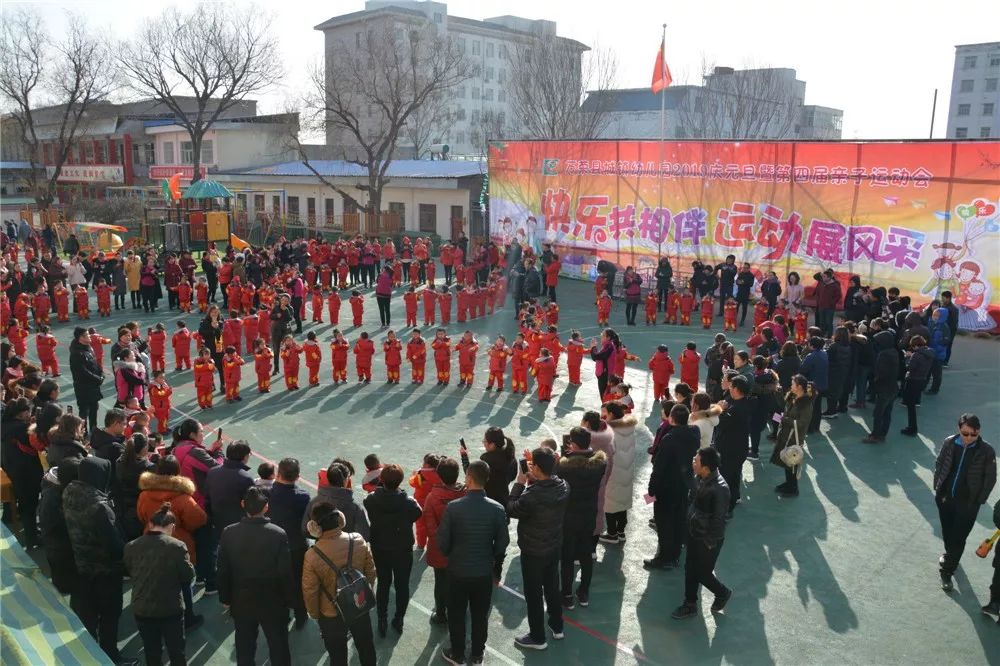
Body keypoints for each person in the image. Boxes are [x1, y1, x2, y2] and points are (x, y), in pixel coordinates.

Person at [437, 460, 510, 666]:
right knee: (480, 615)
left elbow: (442, 542)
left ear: (468, 478)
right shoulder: (496, 509)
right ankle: (477, 654)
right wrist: (491, 556)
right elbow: (502, 542)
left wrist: (453, 554)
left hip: (458, 570)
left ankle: (457, 653)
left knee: (457, 613)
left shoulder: (454, 508)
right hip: (482, 572)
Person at [62, 456, 130, 663]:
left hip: (82, 564)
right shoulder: (100, 505)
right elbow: (114, 545)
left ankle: (89, 654)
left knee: (89, 615)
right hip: (106, 570)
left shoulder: (69, 491)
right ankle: (110, 655)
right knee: (110, 615)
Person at [217, 486, 295, 666]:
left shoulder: (229, 532)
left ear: (243, 504)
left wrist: (225, 597)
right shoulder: (277, 533)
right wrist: (290, 599)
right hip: (273, 599)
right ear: (266, 507)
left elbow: (223, 569)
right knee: (278, 645)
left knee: (244, 645)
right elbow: (285, 572)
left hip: (241, 599)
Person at [507, 447, 569, 650]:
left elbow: (512, 508)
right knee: (552, 587)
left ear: (539, 468)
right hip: (553, 545)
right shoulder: (563, 486)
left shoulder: (531, 496)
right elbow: (546, 486)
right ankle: (557, 625)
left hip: (533, 551)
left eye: (533, 464)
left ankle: (537, 637)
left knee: (533, 594)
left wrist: (519, 483)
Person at [302, 502, 378, 666]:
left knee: (337, 657)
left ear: (315, 527)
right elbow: (370, 572)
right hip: (359, 604)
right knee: (366, 648)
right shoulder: (357, 540)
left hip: (331, 613)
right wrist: (361, 592)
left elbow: (310, 591)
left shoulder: (312, 555)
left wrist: (316, 615)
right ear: (340, 519)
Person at [124, 503, 195, 666]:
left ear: (150, 524)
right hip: (170, 608)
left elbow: (129, 570)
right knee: (177, 652)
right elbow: (187, 575)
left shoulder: (131, 546)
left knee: (152, 652)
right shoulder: (176, 546)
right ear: (172, 526)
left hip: (143, 608)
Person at [933, 413, 996, 592]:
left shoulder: (987, 451)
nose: (969, 438)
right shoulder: (950, 442)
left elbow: (990, 477)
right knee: (947, 531)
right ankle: (951, 555)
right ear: (959, 429)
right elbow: (939, 463)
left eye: (973, 434)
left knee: (959, 537)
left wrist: (979, 499)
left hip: (968, 503)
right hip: (945, 498)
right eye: (965, 433)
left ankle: (947, 571)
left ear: (979, 431)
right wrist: (938, 487)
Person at [672, 447, 732, 620]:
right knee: (690, 569)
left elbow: (719, 519)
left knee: (702, 573)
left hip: (707, 540)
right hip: (694, 533)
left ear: (705, 467)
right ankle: (690, 603)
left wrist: (709, 542)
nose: (693, 463)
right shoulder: (701, 477)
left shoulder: (720, 489)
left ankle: (722, 592)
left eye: (696, 461)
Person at [363, 463, 422, 636]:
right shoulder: (408, 503)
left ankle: (382, 618)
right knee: (402, 585)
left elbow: (369, 502)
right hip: (402, 549)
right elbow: (418, 513)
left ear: (381, 480)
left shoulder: (371, 500)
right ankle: (399, 619)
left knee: (383, 583)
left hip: (381, 547)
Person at [644, 404, 701, 570]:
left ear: (672, 418)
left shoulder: (669, 439)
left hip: (667, 487)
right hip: (684, 484)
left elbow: (659, 468)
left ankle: (664, 558)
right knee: (679, 521)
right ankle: (675, 555)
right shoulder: (694, 433)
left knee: (664, 523)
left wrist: (651, 489)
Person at [556, 426, 607, 609]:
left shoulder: (564, 467)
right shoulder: (600, 464)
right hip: (588, 515)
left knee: (568, 557)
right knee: (586, 555)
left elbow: (557, 474)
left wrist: (563, 457)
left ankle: (567, 594)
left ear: (574, 445)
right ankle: (584, 592)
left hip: (569, 517)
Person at [266, 457, 312, 629]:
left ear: (278, 474)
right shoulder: (302, 496)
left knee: (278, 581)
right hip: (297, 545)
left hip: (274, 546)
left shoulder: (267, 493)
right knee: (299, 581)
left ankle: (282, 613)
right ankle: (301, 614)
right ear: (297, 476)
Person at [422, 457, 466, 625]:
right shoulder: (465, 493)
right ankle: (458, 610)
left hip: (440, 550)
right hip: (462, 549)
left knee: (440, 583)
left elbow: (431, 529)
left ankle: (440, 613)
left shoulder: (432, 498)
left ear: (438, 476)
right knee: (460, 582)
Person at [713, 374, 751, 517]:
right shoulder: (745, 403)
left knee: (726, 479)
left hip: (730, 450)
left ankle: (726, 509)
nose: (729, 388)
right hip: (738, 448)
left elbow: (721, 424)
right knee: (734, 477)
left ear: (736, 389)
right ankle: (733, 501)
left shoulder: (736, 409)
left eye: (731, 386)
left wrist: (722, 409)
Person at [302, 461, 370, 539]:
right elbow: (364, 535)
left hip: (323, 548)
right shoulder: (355, 507)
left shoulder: (314, 503)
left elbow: (305, 530)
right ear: (346, 479)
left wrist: (321, 538)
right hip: (347, 549)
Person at [771, 375, 814, 497]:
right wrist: (778, 394)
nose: (791, 386)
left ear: (799, 387)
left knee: (792, 463)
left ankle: (793, 488)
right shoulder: (794, 397)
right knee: (787, 461)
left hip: (794, 437)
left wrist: (783, 419)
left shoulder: (806, 404)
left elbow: (801, 424)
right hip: (787, 435)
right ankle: (789, 484)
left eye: (793, 383)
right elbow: (784, 406)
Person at [601, 402, 638, 544]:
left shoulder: (610, 432)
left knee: (610, 503)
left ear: (611, 414)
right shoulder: (629, 428)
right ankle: (621, 531)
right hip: (626, 470)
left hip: (613, 472)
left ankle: (612, 534)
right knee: (622, 501)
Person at [205, 440, 255, 539]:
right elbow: (252, 506)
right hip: (239, 528)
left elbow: (207, 500)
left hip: (217, 524)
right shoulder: (246, 478)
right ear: (245, 456)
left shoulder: (212, 472)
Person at [863, 329, 900, 444]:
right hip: (892, 387)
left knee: (878, 413)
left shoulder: (883, 355)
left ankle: (875, 435)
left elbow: (880, 372)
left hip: (884, 388)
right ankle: (882, 434)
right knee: (887, 413)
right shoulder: (894, 352)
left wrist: (875, 380)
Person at [68, 326, 104, 434]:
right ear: (81, 337)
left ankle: (94, 428)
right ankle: (82, 432)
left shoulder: (88, 348)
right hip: (83, 387)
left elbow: (94, 363)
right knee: (84, 411)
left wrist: (100, 373)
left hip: (92, 386)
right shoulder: (76, 353)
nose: (89, 336)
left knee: (94, 408)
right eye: (87, 335)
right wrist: (97, 378)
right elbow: (82, 371)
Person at [900, 336, 934, 437]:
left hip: (913, 381)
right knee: (912, 405)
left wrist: (907, 358)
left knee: (910, 407)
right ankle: (912, 427)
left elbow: (909, 368)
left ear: (915, 345)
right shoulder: (930, 353)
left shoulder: (916, 355)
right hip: (922, 380)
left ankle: (912, 428)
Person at [589, 328, 620, 398]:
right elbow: (598, 357)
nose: (601, 336)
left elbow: (596, 357)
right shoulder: (606, 346)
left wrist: (593, 347)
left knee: (604, 396)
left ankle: (606, 408)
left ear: (608, 338)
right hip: (603, 374)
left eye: (603, 335)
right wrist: (594, 348)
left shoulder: (609, 347)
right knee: (605, 395)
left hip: (605, 376)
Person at [269, 294, 295, 374]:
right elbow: (271, 316)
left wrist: (285, 310)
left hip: (286, 330)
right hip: (276, 330)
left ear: (288, 302)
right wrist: (276, 315)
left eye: (286, 301)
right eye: (283, 300)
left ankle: (289, 367)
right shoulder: (276, 307)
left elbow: (290, 318)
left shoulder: (290, 308)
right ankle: (276, 368)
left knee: (287, 349)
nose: (284, 302)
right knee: (276, 349)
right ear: (280, 300)